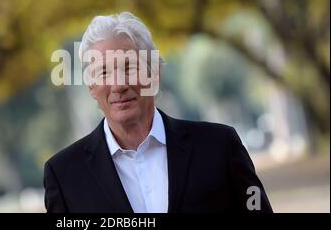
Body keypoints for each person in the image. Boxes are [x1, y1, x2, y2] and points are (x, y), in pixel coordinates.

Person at [43, 12, 272, 213]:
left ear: (155, 74)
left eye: (129, 67)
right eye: (103, 72)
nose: (118, 84)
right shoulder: (64, 176)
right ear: (91, 86)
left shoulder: (219, 147)